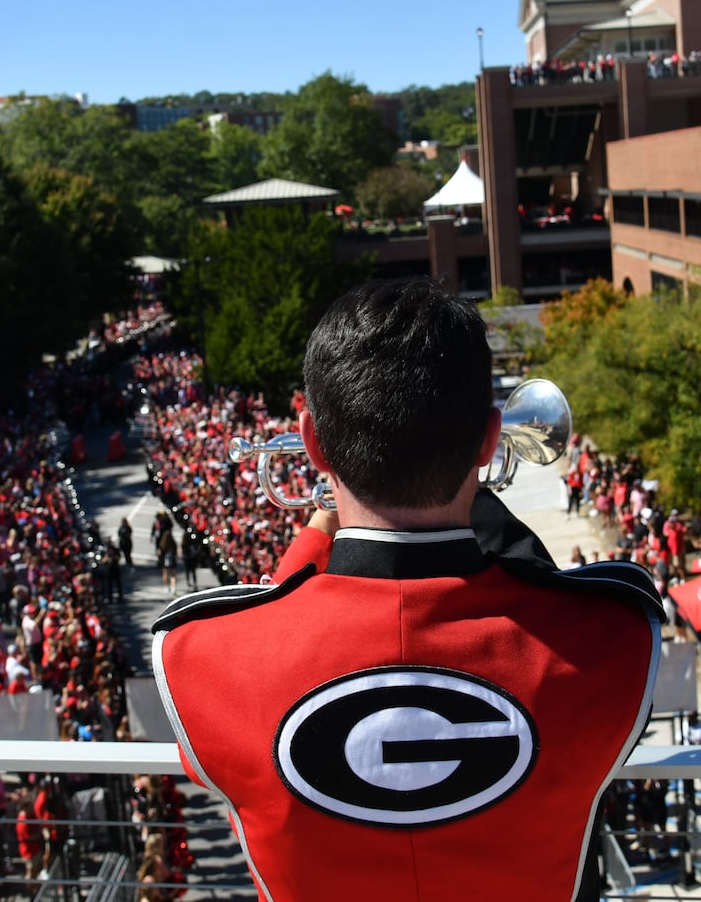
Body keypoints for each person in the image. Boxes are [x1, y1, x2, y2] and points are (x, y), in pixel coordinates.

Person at [152, 278, 664, 901]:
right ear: (489, 440)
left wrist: (319, 533)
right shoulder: (616, 637)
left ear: (311, 444)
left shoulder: (196, 658)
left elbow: (275, 632)